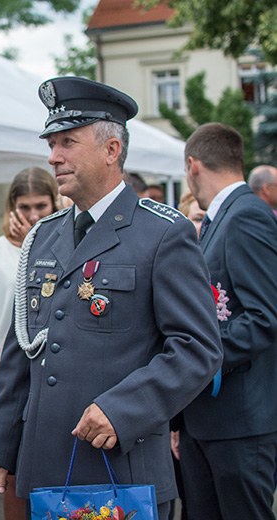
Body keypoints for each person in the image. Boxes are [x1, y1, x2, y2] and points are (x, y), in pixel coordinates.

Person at [0, 76, 223, 520]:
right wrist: (0, 444)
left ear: (112, 150)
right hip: (45, 465)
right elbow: (23, 349)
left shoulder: (163, 233)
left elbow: (198, 348)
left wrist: (121, 408)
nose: (53, 156)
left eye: (68, 142)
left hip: (120, 465)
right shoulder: (43, 236)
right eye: (51, 143)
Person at [180, 123, 277, 519]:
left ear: (193, 166)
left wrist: (199, 352)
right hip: (211, 419)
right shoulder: (224, 217)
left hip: (240, 419)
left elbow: (263, 317)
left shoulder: (245, 216)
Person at [0, 166, 58, 520]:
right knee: (14, 470)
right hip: (15, 368)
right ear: (12, 207)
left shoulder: (64, 243)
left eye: (41, 205)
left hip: (52, 366)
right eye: (24, 207)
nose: (33, 215)